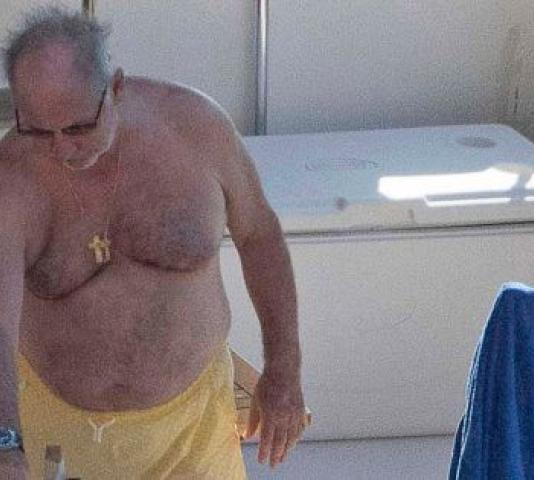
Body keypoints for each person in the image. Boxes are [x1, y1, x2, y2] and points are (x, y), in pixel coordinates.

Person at [0, 6, 305, 479]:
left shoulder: (197, 128)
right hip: (57, 430)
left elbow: (258, 234)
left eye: (79, 127)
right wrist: (6, 443)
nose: (61, 149)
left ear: (116, 88)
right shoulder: (11, 178)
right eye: (38, 130)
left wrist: (283, 369)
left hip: (195, 431)